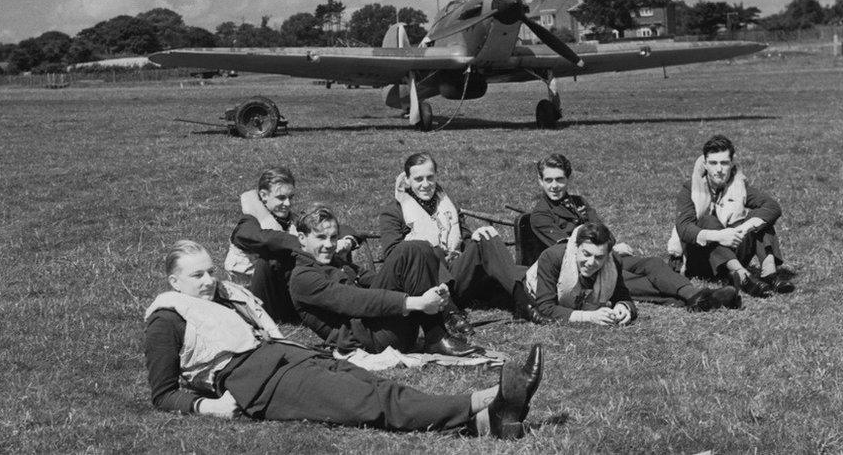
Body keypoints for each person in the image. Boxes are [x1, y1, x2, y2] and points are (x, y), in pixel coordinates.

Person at [144, 239, 544, 439]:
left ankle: (487, 421)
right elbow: (161, 394)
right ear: (174, 281)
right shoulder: (167, 319)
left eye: (211, 271)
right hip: (259, 383)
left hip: (290, 357)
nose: (210, 280)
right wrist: (207, 407)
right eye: (197, 276)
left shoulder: (226, 297)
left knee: (379, 385)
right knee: (372, 402)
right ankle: (486, 400)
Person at [529, 153, 740, 313]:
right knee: (635, 281)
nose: (555, 186)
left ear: (568, 179)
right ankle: (699, 298)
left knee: (653, 264)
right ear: (540, 181)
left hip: (606, 256)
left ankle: (695, 297)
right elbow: (568, 249)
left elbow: (603, 231)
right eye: (549, 180)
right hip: (582, 269)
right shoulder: (540, 215)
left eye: (560, 179)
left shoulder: (578, 203)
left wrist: (611, 247)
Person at [289, 203, 484, 357]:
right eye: (321, 238)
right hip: (369, 341)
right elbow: (353, 300)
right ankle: (436, 337)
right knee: (407, 250)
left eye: (332, 237)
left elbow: (373, 279)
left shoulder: (333, 262)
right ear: (302, 238)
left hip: (385, 328)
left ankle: (436, 335)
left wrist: (432, 285)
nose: (329, 244)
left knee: (421, 248)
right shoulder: (303, 278)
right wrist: (417, 302)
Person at [379, 152, 542, 326]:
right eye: (418, 179)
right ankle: (450, 313)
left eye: (430, 177)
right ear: (408, 181)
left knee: (486, 235)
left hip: (457, 275)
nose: (425, 184)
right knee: (430, 249)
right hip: (426, 283)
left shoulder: (446, 204)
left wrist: (474, 238)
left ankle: (523, 302)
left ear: (436, 177)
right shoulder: (394, 211)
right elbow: (392, 255)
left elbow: (464, 238)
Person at [225, 166, 357, 322]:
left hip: (288, 295)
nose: (287, 203)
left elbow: (336, 227)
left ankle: (346, 292)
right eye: (281, 198)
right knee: (272, 257)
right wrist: (310, 245)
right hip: (258, 302)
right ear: (263, 195)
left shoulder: (291, 220)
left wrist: (347, 240)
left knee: (325, 238)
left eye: (291, 197)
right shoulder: (248, 223)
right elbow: (268, 239)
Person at [670, 135, 795, 297]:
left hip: (731, 251)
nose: (719, 169)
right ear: (705, 164)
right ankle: (743, 277)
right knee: (707, 219)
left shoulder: (737, 186)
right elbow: (684, 228)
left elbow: (772, 206)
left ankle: (770, 274)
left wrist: (744, 228)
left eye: (724, 163)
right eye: (713, 163)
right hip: (701, 259)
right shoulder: (690, 189)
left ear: (731, 164)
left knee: (760, 220)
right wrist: (720, 236)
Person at [525, 222, 637, 325]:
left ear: (607, 256)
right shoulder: (552, 257)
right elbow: (545, 308)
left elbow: (622, 294)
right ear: (576, 248)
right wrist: (588, 316)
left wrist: (623, 308)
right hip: (529, 290)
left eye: (599, 257)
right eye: (586, 254)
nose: (591, 263)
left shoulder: (613, 262)